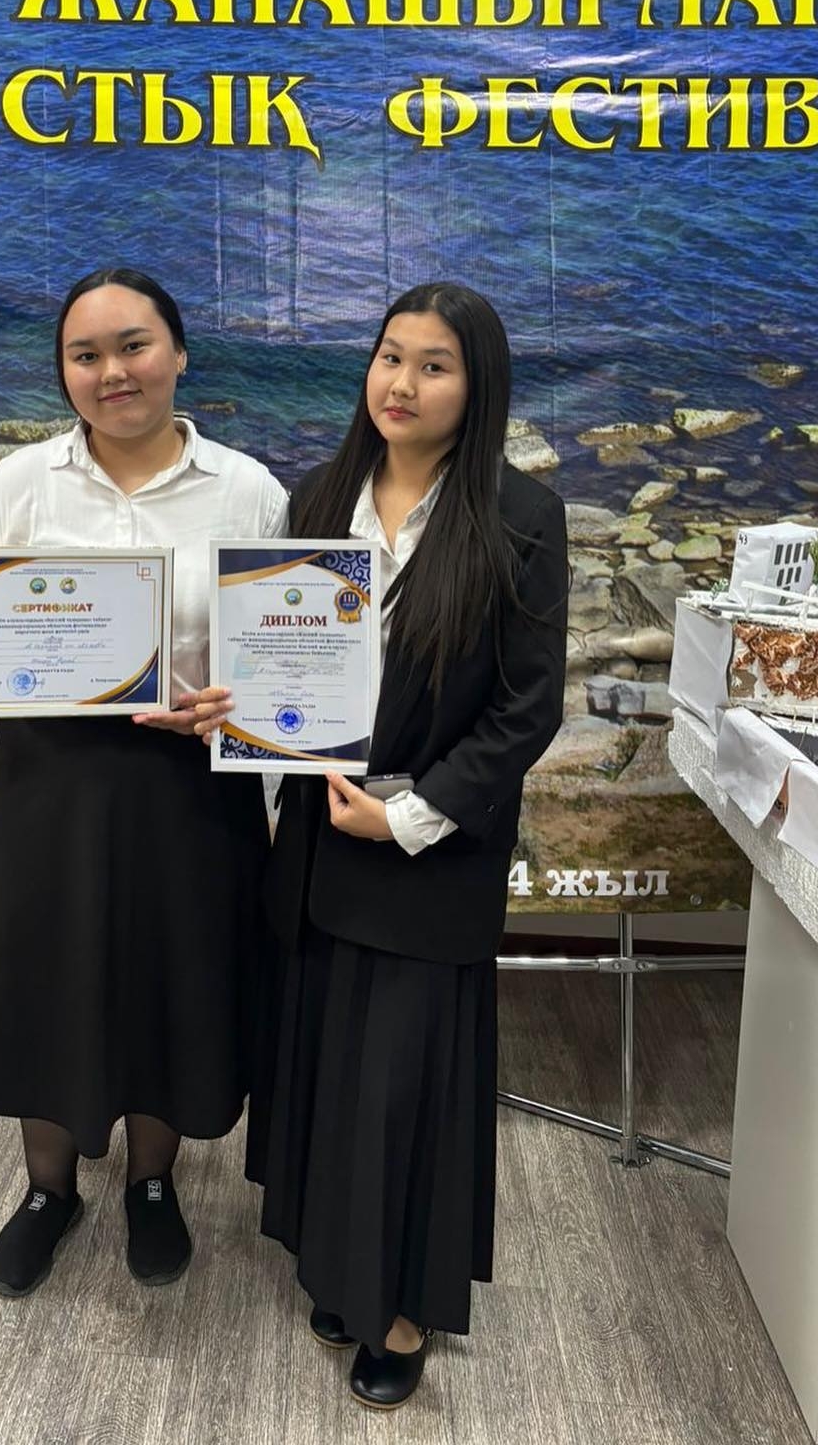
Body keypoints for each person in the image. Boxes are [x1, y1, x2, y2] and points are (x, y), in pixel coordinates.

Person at [0, 268, 287, 1300]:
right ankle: (49, 1191)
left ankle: (153, 1182)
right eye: (86, 355)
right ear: (65, 373)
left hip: (187, 789)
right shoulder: (22, 482)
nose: (113, 371)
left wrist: (236, 703)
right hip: (48, 786)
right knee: (47, 984)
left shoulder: (248, 490)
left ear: (179, 353)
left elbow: (282, 651)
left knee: (174, 983)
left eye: (134, 345)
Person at [223, 281, 567, 1411]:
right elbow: (279, 657)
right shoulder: (321, 495)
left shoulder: (521, 516)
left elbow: (526, 709)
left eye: (433, 365)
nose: (401, 384)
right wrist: (246, 719)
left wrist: (412, 814)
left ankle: (404, 1304)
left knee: (404, 1085)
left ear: (478, 386)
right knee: (325, 1060)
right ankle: (339, 1267)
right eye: (388, 357)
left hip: (428, 849)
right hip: (320, 840)